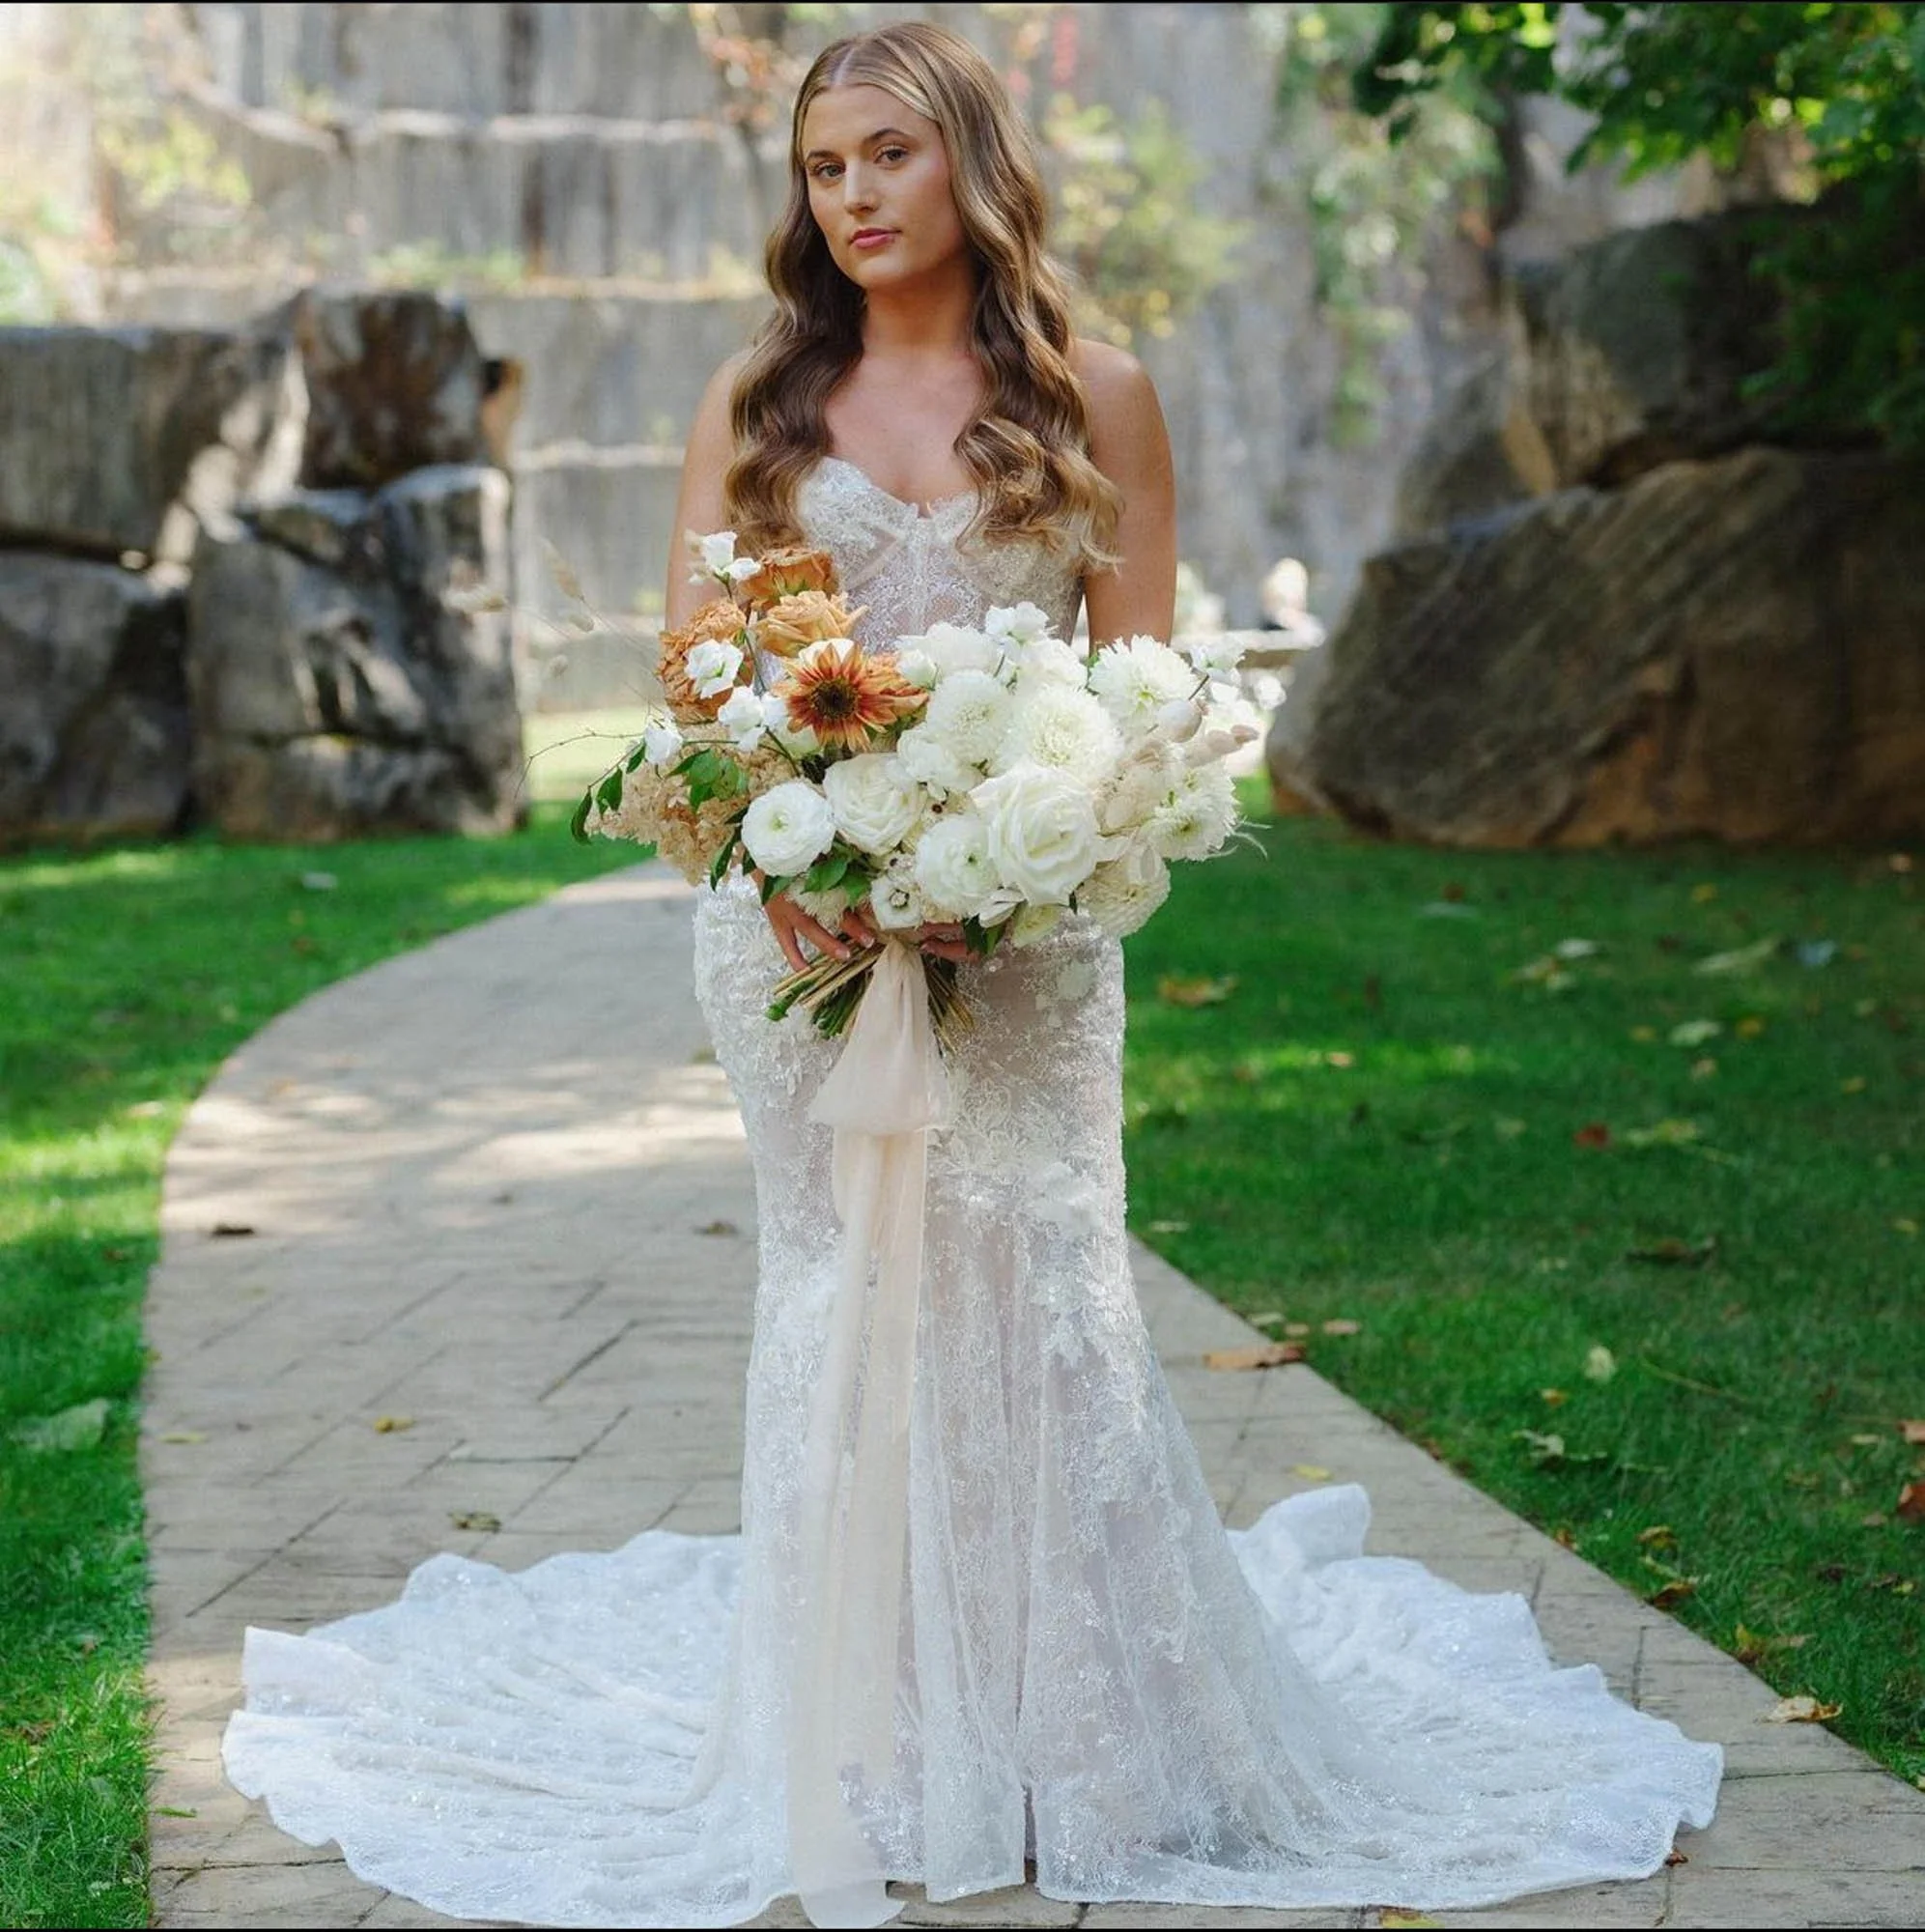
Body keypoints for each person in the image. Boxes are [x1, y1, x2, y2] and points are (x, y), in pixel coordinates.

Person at [222, 21, 1720, 1928]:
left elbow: (1146, 698)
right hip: (793, 933)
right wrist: (800, 875)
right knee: (843, 1297)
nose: (852, 195)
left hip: (1026, 934)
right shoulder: (761, 400)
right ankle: (860, 1750)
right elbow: (700, 690)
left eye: (888, 155)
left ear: (971, 164)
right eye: (822, 164)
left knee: (1040, 1297)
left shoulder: (1101, 396)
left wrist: (1025, 864)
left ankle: (1090, 1749)